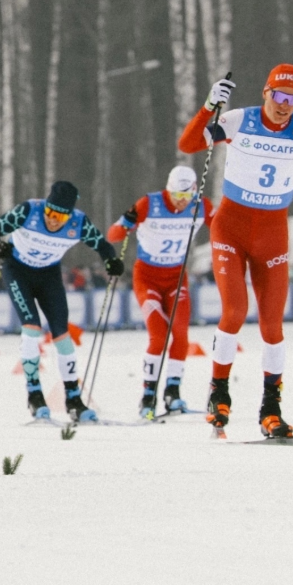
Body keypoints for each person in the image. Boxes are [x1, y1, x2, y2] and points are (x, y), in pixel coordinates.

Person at [179, 65, 293, 437]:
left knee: (273, 325)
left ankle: (271, 407)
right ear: (266, 92)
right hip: (230, 229)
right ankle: (219, 392)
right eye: (278, 96)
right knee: (234, 311)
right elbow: (189, 144)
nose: (284, 105)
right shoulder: (238, 120)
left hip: (272, 236)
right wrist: (210, 105)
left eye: (291, 99)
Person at [0, 181, 124, 422]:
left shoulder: (78, 223)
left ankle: (74, 399)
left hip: (48, 276)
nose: (54, 219)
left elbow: (102, 245)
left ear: (69, 216)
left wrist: (111, 261)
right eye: (50, 212)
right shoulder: (29, 211)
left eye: (60, 216)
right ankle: (35, 395)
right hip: (17, 271)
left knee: (62, 335)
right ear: (45, 207)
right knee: (32, 326)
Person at [108, 166, 214, 418]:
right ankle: (148, 395)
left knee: (180, 335)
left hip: (177, 278)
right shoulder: (149, 203)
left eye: (186, 197)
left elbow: (224, 227)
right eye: (176, 195)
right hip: (147, 278)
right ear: (168, 190)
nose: (181, 201)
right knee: (158, 335)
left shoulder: (201, 206)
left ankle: (172, 392)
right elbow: (113, 234)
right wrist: (127, 223)